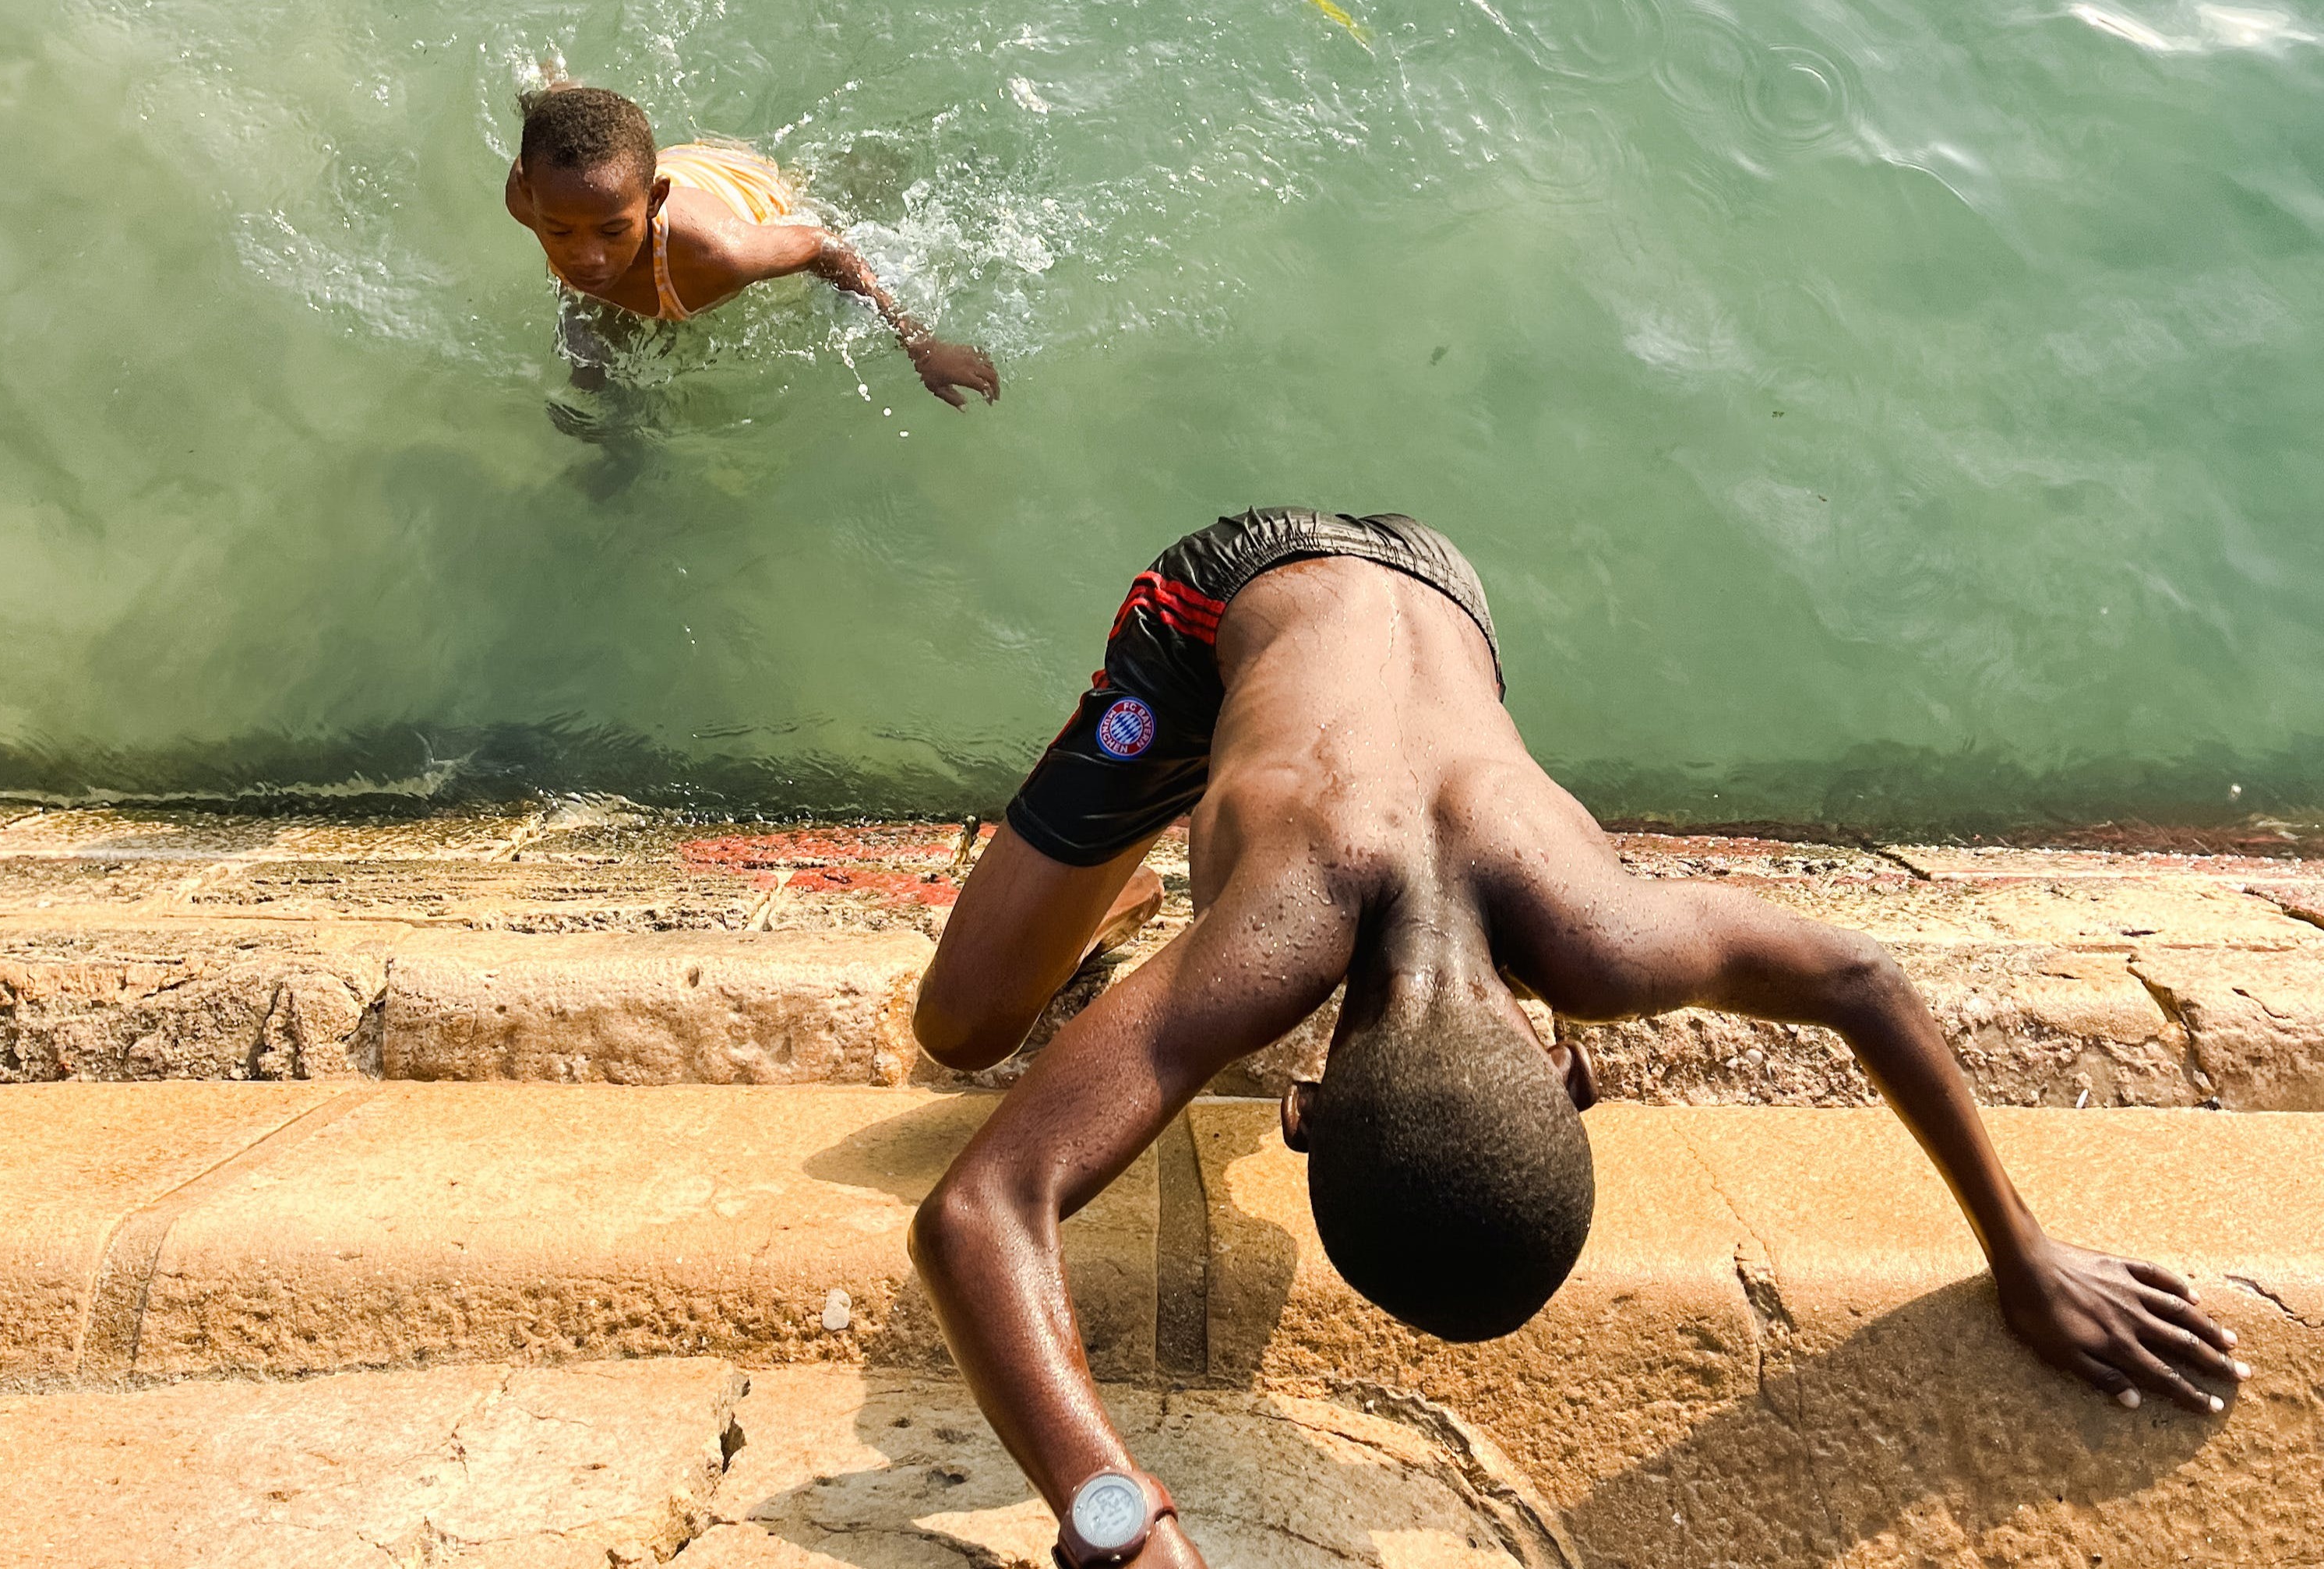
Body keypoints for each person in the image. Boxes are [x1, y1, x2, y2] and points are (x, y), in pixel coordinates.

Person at [906, 506, 2251, 1568]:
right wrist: (1119, 1512)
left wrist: (2019, 1248)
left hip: (1442, 598)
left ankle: (1110, 853)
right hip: (1224, 604)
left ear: (1570, 1068)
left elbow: (1860, 972)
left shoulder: (1607, 937)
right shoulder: (1284, 940)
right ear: (1298, 1098)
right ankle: (1120, 865)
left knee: (1022, 994)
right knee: (964, 1027)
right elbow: (976, 1212)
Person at [506, 79, 999, 410]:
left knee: (835, 193)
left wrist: (920, 344)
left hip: (739, 186)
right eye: (560, 233)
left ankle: (889, 155)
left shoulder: (718, 255)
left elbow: (822, 247)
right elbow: (568, 186)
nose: (587, 256)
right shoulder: (534, 198)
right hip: (610, 184)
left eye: (612, 234)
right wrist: (549, 95)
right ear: (532, 199)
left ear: (654, 202)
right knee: (588, 380)